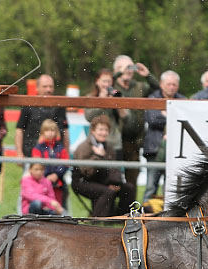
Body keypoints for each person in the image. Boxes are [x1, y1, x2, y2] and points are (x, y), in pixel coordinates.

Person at [71, 115, 136, 217]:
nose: (104, 133)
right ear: (92, 130)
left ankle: (123, 217)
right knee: (107, 191)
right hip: (82, 182)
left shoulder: (109, 147)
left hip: (102, 180)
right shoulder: (83, 147)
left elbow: (114, 168)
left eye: (106, 130)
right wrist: (97, 156)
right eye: (101, 129)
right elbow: (87, 172)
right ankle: (99, 220)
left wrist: (116, 183)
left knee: (128, 188)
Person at [111, 55, 159, 190]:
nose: (128, 70)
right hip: (114, 141)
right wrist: (119, 73)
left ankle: (130, 209)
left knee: (132, 182)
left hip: (134, 142)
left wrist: (147, 75)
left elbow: (157, 88)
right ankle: (113, 210)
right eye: (123, 67)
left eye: (130, 67)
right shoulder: (111, 86)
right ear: (116, 70)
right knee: (112, 181)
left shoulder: (139, 86)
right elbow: (103, 84)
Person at [143, 70, 185, 204]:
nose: (171, 87)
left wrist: (166, 115)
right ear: (161, 84)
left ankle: (167, 219)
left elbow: (185, 121)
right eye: (169, 84)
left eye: (174, 84)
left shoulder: (183, 100)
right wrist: (173, 117)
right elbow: (153, 120)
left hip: (175, 152)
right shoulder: (152, 98)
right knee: (151, 186)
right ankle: (145, 215)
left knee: (171, 189)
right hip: (154, 149)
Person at [15, 74, 69, 161]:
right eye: (45, 86)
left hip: (56, 157)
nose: (48, 89)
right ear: (37, 88)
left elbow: (65, 131)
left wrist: (66, 154)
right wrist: (19, 153)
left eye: (51, 86)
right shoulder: (28, 105)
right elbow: (19, 129)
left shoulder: (60, 107)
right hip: (31, 156)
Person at [30, 119, 68, 212]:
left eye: (52, 130)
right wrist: (46, 176)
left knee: (57, 207)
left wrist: (56, 174)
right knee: (43, 206)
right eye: (47, 130)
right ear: (42, 132)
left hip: (57, 183)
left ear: (56, 132)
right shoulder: (38, 148)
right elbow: (37, 165)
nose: (50, 133)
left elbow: (65, 163)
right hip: (42, 183)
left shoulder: (60, 147)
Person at [83, 68, 123, 154]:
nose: (107, 84)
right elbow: (88, 117)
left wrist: (117, 104)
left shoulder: (116, 95)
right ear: (97, 81)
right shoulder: (90, 97)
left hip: (114, 142)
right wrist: (102, 102)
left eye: (109, 82)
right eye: (104, 81)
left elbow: (127, 118)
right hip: (95, 142)